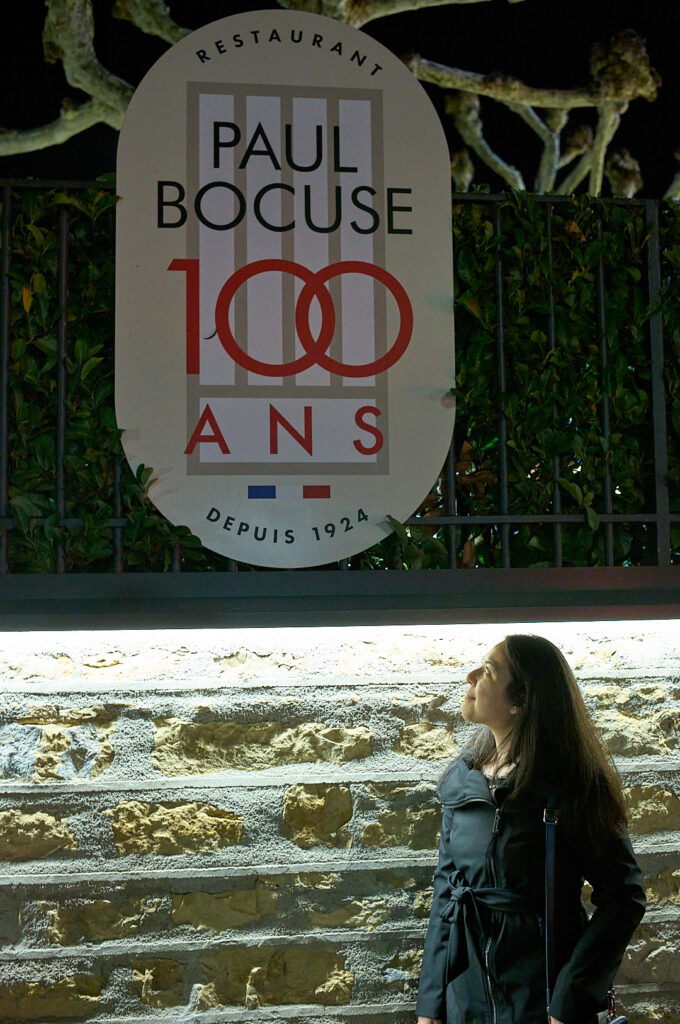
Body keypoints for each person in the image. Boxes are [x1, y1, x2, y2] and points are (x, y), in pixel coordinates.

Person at [415, 634, 646, 1024]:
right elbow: (447, 890)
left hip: (540, 998)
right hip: (465, 995)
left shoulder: (573, 786)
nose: (471, 676)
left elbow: (624, 898)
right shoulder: (464, 781)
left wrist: (569, 1000)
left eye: (487, 670)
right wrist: (431, 1004)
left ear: (520, 700)